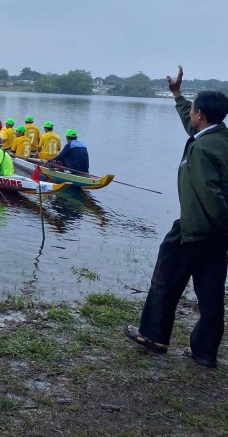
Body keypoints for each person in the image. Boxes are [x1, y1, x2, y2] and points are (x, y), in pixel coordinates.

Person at [125, 66, 228, 368]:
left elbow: (211, 195)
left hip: (195, 229)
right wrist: (178, 95)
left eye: (193, 109)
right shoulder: (217, 137)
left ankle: (153, 336)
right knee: (211, 292)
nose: (191, 113)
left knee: (166, 279)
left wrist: (214, 227)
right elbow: (191, 124)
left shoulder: (201, 149)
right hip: (218, 235)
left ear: (202, 115)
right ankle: (204, 351)